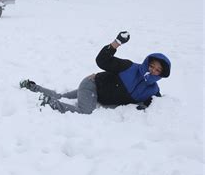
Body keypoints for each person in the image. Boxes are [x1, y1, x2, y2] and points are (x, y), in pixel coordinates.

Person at [20, 31, 171, 114]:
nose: (153, 71)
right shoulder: (130, 67)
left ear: (161, 74)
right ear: (147, 63)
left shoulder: (153, 89)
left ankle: (32, 87)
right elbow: (102, 61)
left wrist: (144, 106)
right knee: (85, 111)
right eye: (152, 66)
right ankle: (49, 103)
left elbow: (156, 104)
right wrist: (116, 43)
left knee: (62, 96)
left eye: (158, 70)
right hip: (92, 85)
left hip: (95, 92)